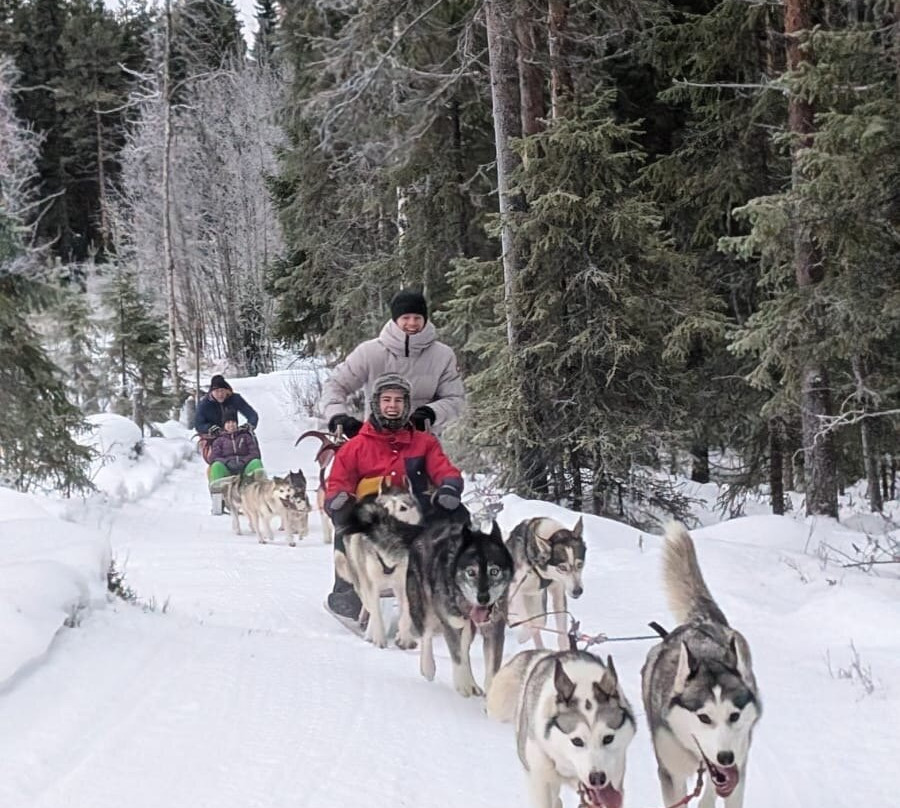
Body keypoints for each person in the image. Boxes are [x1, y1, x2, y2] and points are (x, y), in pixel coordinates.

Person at [324, 373, 466, 620]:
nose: (392, 406)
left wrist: (449, 488)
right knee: (346, 529)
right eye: (386, 400)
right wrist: (339, 501)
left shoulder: (424, 442)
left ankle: (455, 587)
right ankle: (348, 592)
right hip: (371, 511)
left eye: (398, 401)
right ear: (376, 404)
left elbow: (444, 469)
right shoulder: (355, 446)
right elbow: (338, 481)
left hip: (413, 507)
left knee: (459, 517)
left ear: (407, 405)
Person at [321, 289, 465, 439]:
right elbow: (335, 384)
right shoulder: (369, 352)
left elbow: (455, 399)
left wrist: (431, 412)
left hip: (423, 443)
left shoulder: (442, 355)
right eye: (406, 317)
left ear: (425, 319)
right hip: (375, 441)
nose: (412, 323)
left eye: (417, 317)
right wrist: (338, 417)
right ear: (396, 319)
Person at [195, 375, 259, 437]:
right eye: (217, 391)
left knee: (249, 438)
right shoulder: (204, 404)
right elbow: (198, 424)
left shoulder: (235, 399)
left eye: (222, 391)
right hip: (213, 436)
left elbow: (252, 415)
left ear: (226, 390)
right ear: (211, 392)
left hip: (233, 434)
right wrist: (209, 428)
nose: (220, 394)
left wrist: (249, 426)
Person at [207, 419, 263, 485]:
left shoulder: (245, 436)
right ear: (224, 425)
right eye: (228, 422)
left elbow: (255, 453)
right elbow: (214, 457)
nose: (231, 425)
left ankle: (261, 488)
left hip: (245, 468)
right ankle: (218, 491)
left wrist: (244, 461)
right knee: (216, 466)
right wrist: (227, 462)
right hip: (227, 469)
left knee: (256, 462)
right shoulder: (219, 440)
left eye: (233, 422)